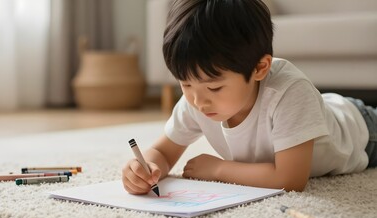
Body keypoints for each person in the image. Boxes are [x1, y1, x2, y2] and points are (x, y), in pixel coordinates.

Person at [122, 0, 377, 193]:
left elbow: (290, 179)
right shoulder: (197, 97)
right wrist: (144, 170)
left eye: (214, 88)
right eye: (185, 84)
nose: (199, 102)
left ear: (259, 68)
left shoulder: (289, 91)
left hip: (363, 133)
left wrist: (219, 169)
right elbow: (163, 153)